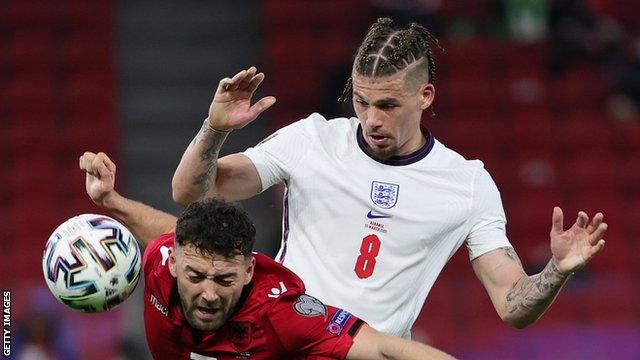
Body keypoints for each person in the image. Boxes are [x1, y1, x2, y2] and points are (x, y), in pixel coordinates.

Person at [171, 17, 608, 338]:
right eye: (361, 102)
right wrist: (215, 130)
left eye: (387, 105)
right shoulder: (312, 140)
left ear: (425, 96)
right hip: (281, 344)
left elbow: (512, 304)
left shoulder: (467, 184)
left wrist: (556, 270)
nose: (370, 120)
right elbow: (190, 191)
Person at [79, 151, 454, 360]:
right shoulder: (161, 259)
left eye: (224, 280)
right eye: (196, 277)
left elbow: (387, 350)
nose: (209, 293)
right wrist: (111, 202)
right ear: (173, 263)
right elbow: (168, 233)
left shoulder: (282, 314)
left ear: (247, 271)